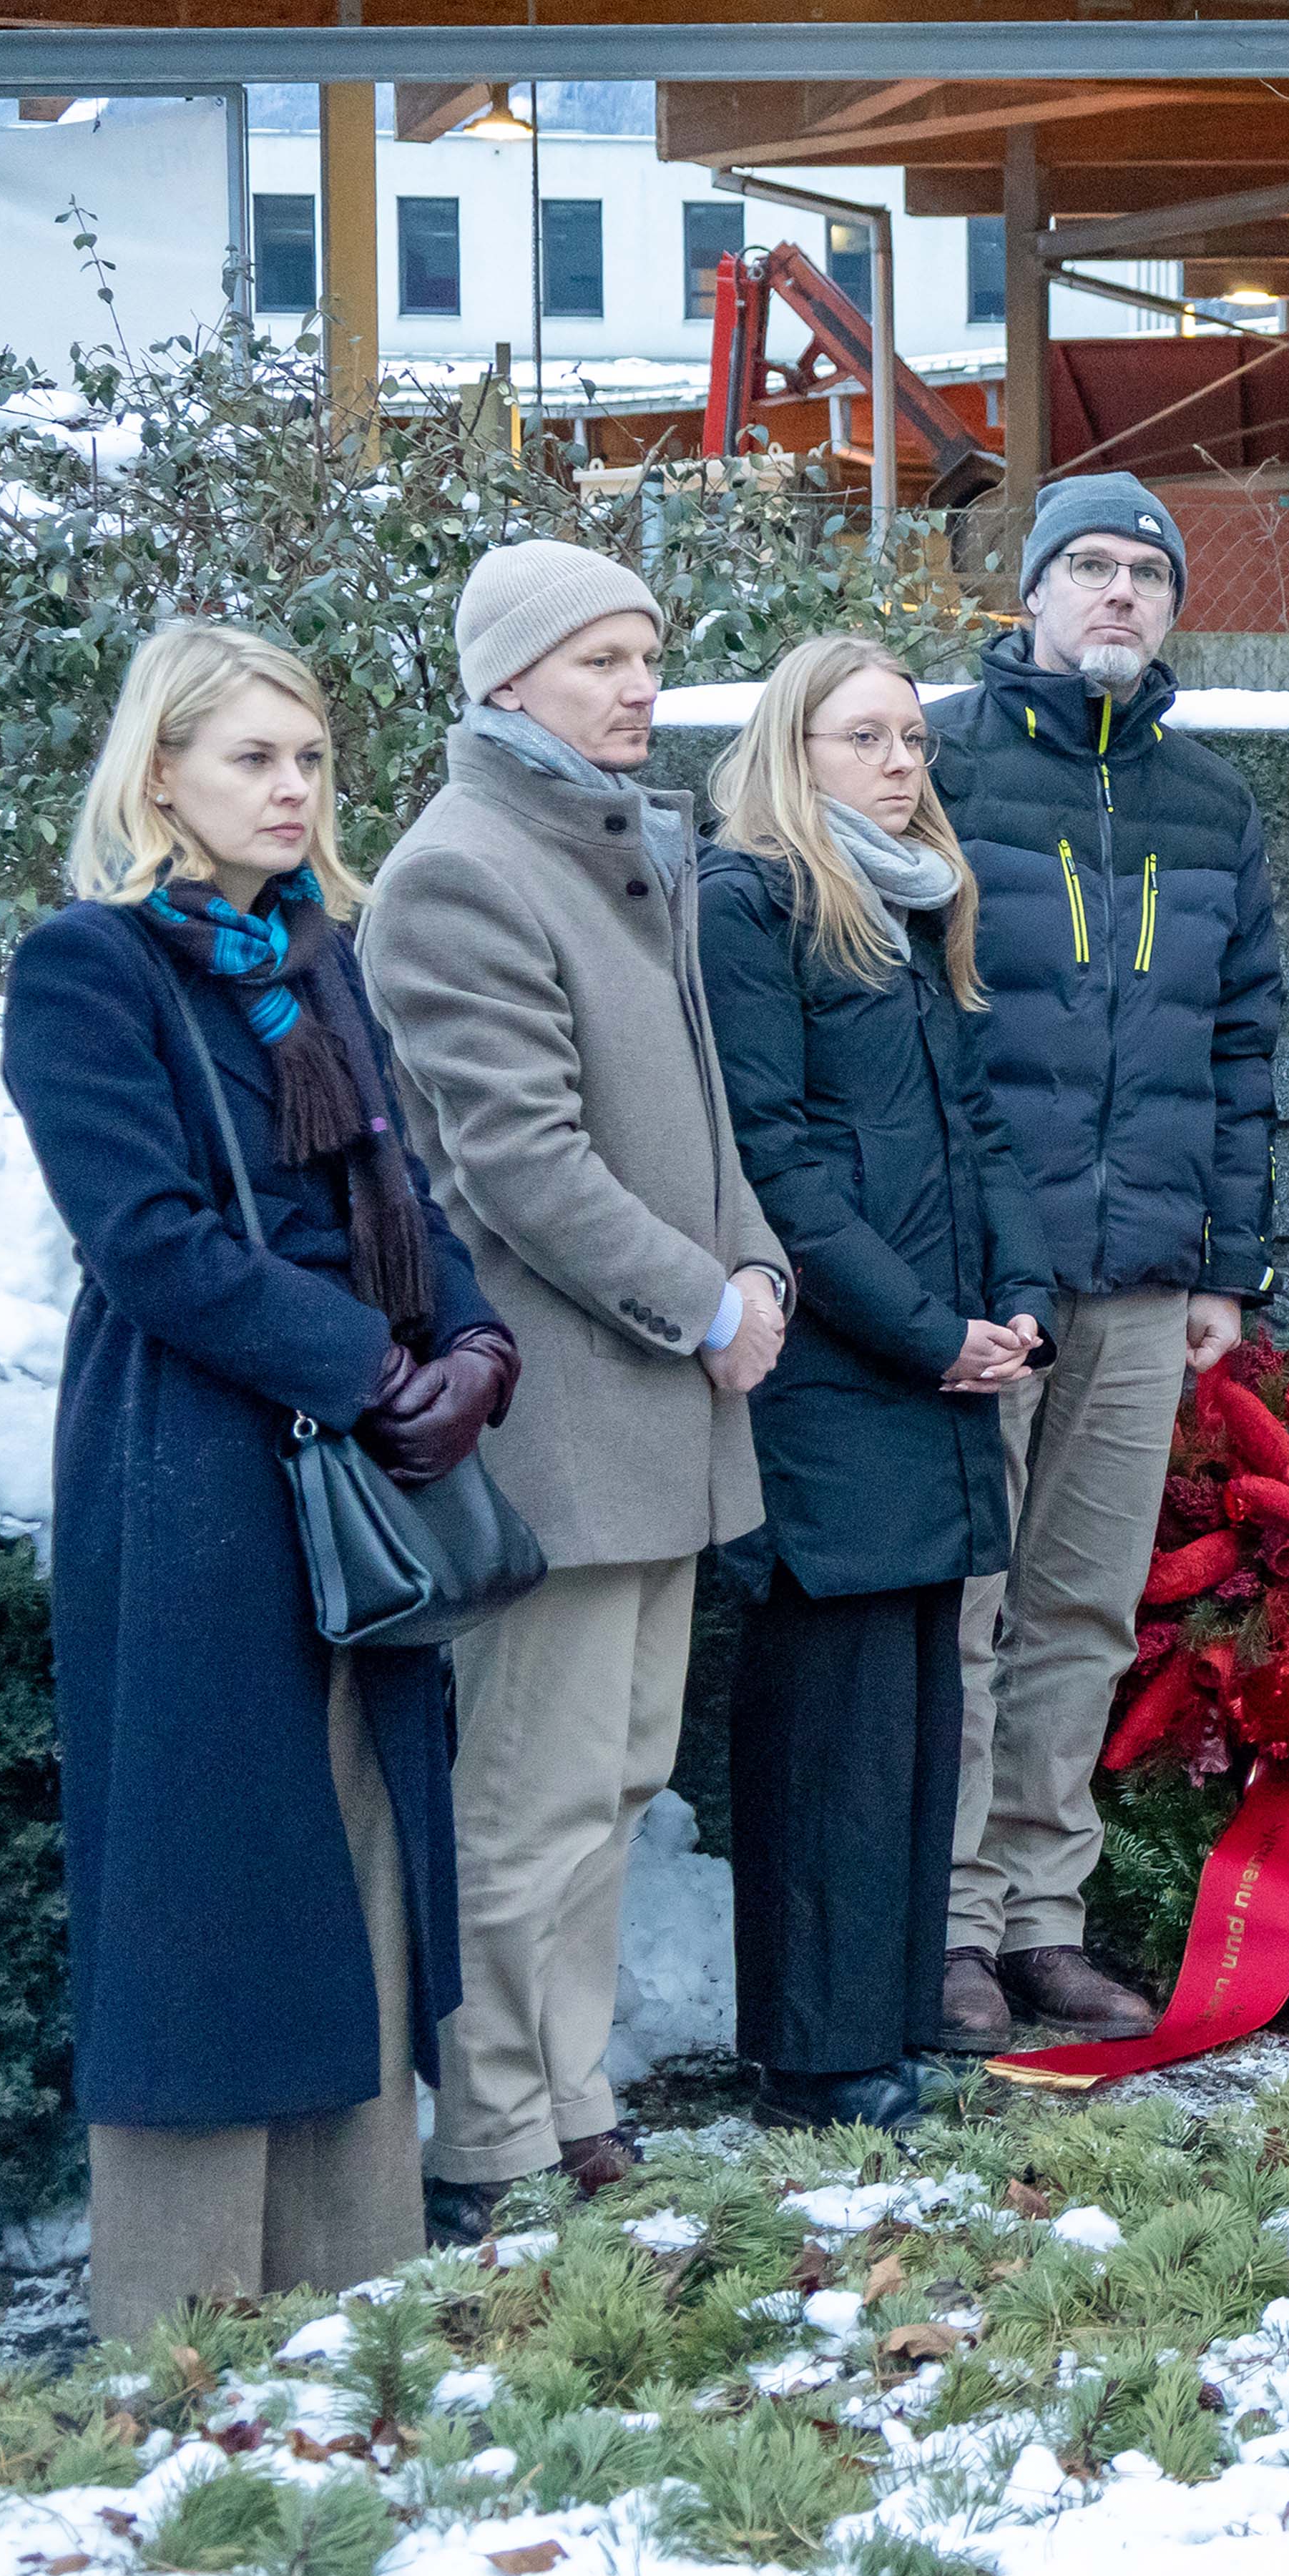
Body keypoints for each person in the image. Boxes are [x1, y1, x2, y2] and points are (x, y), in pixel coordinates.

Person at [2, 623, 519, 2333]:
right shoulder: (89, 969)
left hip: (358, 1460)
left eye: (308, 758)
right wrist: (369, 1367)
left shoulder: (322, 953)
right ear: (160, 773)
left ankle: (350, 2286)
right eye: (251, 759)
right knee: (209, 1881)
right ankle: (184, 2321)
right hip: (196, 1464)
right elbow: (148, 1241)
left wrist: (473, 1346)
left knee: (362, 1855)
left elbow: (408, 1191)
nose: (292, 789)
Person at [361, 541, 791, 2238]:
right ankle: (488, 2137)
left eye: (647, 655)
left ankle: (574, 2092)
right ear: (505, 680)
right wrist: (702, 1303)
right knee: (529, 1796)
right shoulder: (461, 870)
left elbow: (703, 1115)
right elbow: (517, 1161)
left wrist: (751, 1267)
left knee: (616, 1775)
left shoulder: (620, 848)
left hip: (665, 1405)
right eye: (600, 658)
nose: (637, 687)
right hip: (565, 1413)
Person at [931, 471, 1284, 2050]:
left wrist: (1229, 1265)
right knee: (964, 1600)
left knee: (1079, 1604)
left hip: (1143, 1269)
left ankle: (1040, 1920)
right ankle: (941, 1921)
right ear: (1031, 591)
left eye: (1147, 571)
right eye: (1088, 565)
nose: (1119, 593)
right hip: (980, 1272)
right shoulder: (934, 764)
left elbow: (1245, 1041)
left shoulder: (1212, 805)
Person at [700, 634, 1057, 2130]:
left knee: (911, 1716)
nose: (901, 764)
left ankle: (887, 2022)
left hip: (938, 1375)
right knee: (830, 1731)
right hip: (839, 1378)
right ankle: (817, 2051)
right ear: (795, 749)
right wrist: (927, 1330)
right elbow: (772, 1161)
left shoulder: (914, 911)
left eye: (912, 738)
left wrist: (1019, 1296)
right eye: (864, 738)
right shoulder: (753, 902)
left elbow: (976, 1133)